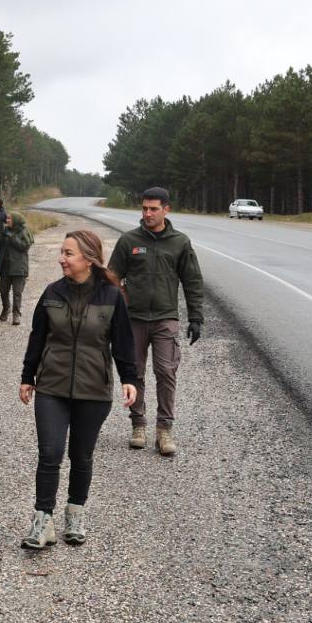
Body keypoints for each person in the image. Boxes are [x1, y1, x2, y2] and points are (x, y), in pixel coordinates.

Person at [18, 231, 138, 548]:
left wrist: (130, 379)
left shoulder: (111, 297)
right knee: (50, 453)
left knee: (81, 456)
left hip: (94, 389)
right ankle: (43, 522)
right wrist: (27, 376)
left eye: (68, 253)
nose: (62, 258)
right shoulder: (52, 293)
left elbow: (124, 343)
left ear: (88, 258)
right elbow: (37, 337)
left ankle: (75, 515)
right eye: (61, 252)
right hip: (52, 386)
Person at [106, 186, 205, 457]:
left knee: (166, 371)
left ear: (166, 210)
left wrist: (196, 316)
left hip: (165, 318)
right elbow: (112, 276)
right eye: (144, 208)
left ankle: (164, 429)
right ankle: (138, 425)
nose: (147, 213)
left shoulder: (180, 242)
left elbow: (192, 280)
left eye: (153, 209)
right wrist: (115, 303)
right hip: (132, 319)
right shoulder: (129, 240)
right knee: (134, 373)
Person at [0, 211, 33, 324]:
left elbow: (24, 247)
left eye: (9, 219)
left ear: (16, 220)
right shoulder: (6, 230)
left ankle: (16, 314)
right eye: (7, 218)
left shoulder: (24, 231)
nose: (7, 220)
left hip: (19, 267)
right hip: (5, 267)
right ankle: (6, 308)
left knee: (17, 293)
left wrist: (12, 237)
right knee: (3, 291)